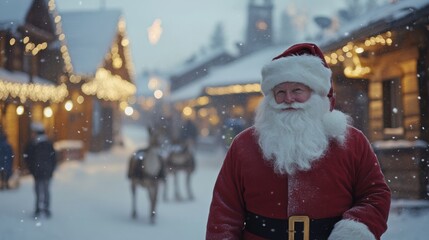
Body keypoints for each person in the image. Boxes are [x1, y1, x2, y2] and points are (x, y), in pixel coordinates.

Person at [206, 43, 391, 240]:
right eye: (280, 92)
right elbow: (224, 211)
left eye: (297, 90)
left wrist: (355, 229)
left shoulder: (351, 141)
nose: (288, 99)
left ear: (316, 93)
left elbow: (375, 194)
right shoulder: (244, 144)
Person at [23, 122, 57, 218]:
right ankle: (46, 208)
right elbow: (54, 158)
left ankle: (38, 208)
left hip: (37, 171)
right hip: (46, 171)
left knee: (38, 190)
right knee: (46, 190)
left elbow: (28, 157)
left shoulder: (33, 144)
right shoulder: (48, 143)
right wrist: (51, 169)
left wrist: (32, 169)